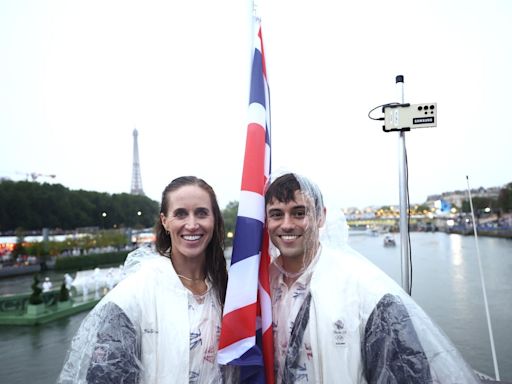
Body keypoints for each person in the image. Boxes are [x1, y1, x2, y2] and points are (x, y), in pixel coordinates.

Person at [264, 172, 481, 383]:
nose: (287, 224)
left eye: (299, 213)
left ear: (321, 217)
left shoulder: (366, 293)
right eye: (276, 214)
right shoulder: (261, 287)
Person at [58, 176, 232, 383]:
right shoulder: (133, 294)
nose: (192, 224)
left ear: (214, 220)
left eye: (201, 213)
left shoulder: (225, 289)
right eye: (181, 214)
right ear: (165, 221)